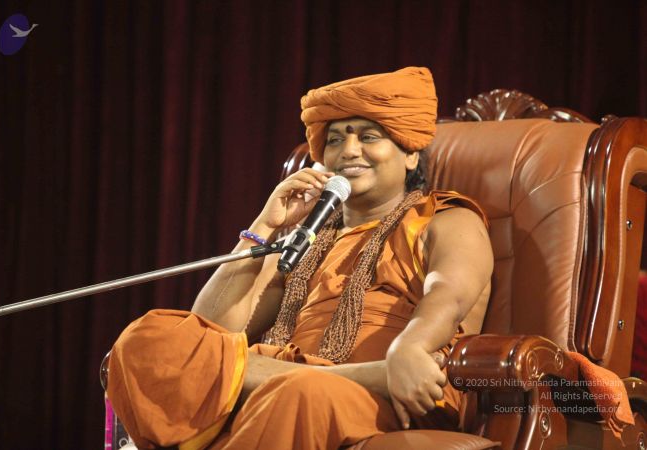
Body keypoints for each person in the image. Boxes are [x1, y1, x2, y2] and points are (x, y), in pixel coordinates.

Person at [106, 66, 494, 450]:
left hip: (395, 392)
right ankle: (363, 374)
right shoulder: (306, 240)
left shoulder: (445, 218)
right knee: (146, 341)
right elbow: (212, 330)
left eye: (368, 137)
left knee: (297, 392)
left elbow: (448, 297)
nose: (349, 151)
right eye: (336, 140)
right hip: (292, 378)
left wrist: (408, 349)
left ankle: (346, 376)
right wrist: (265, 224)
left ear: (410, 154)